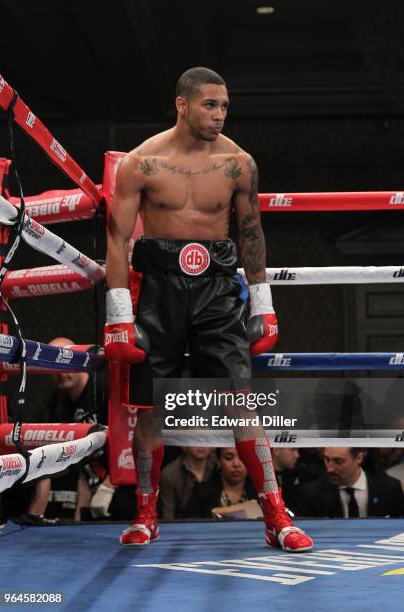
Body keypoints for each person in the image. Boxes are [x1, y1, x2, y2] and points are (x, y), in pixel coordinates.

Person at [105, 66, 313, 552]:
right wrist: (119, 313)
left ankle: (276, 516)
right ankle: (147, 514)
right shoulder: (142, 162)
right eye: (209, 105)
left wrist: (263, 303)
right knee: (151, 410)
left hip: (218, 290)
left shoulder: (238, 163)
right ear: (182, 104)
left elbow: (251, 232)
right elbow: (117, 238)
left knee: (244, 403)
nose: (219, 115)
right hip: (158, 290)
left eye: (224, 106)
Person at [13, 337, 109, 524]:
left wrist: (109, 486)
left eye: (66, 365)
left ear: (80, 362)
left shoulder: (103, 391)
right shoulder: (58, 401)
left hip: (115, 477)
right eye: (55, 366)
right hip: (84, 473)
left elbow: (127, 440)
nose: (61, 373)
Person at [297, 447, 404, 518]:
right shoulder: (312, 493)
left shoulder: (390, 488)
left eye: (338, 461)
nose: (330, 469)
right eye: (327, 459)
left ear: (358, 458)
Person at [184, 447, 257, 519]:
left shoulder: (259, 494)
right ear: (218, 461)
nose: (236, 464)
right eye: (229, 458)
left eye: (243, 458)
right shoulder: (201, 492)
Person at [161, 446, 216, 519]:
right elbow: (168, 517)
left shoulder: (220, 465)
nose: (201, 443)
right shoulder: (169, 474)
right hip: (182, 525)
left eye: (205, 437)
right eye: (195, 437)